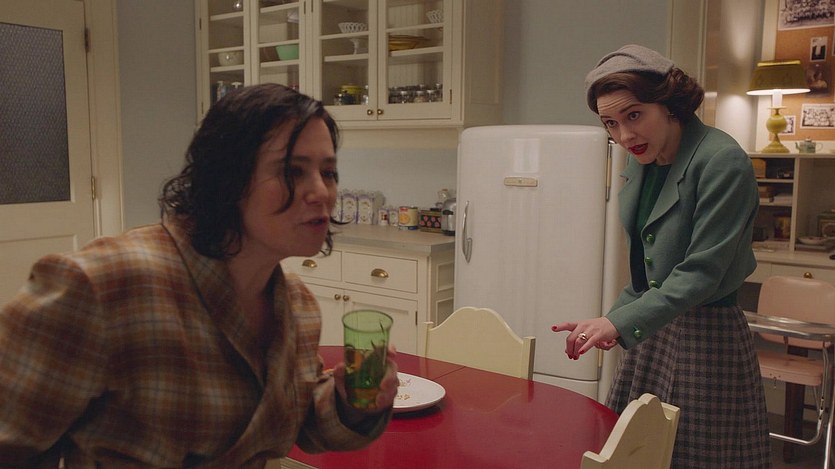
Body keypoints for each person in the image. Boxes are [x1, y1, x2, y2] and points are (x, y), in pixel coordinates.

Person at [0, 83, 398, 468]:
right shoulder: (102, 286)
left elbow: (296, 420)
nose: (321, 192)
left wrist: (350, 402)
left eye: (328, 172)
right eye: (292, 171)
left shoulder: (297, 307)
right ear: (228, 179)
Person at [551, 45, 771, 467]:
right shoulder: (644, 160)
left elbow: (700, 273)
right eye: (611, 123)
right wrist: (609, 322)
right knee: (635, 454)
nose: (624, 136)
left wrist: (619, 322)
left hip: (708, 338)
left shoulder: (722, 161)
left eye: (634, 115)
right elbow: (645, 271)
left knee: (697, 457)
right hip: (652, 330)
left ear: (670, 104)